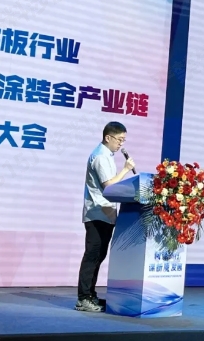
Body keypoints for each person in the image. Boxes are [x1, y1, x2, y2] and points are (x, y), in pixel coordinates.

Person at [75, 121, 136, 312]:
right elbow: (109, 187)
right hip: (97, 213)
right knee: (92, 256)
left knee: (99, 256)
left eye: (123, 140)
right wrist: (126, 170)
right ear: (108, 137)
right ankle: (83, 298)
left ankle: (90, 295)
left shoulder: (107, 155)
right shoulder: (100, 156)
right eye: (119, 140)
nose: (121, 144)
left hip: (106, 213)